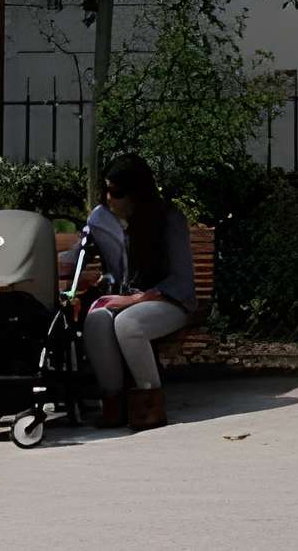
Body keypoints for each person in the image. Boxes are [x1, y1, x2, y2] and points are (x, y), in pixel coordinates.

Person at [70, 153, 198, 431]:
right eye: (106, 190)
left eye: (116, 192)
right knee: (96, 320)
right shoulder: (104, 220)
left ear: (136, 193)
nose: (108, 198)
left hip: (169, 301)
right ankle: (113, 403)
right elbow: (75, 255)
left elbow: (181, 281)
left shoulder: (169, 220)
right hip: (130, 298)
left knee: (128, 323)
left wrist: (134, 298)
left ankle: (149, 403)